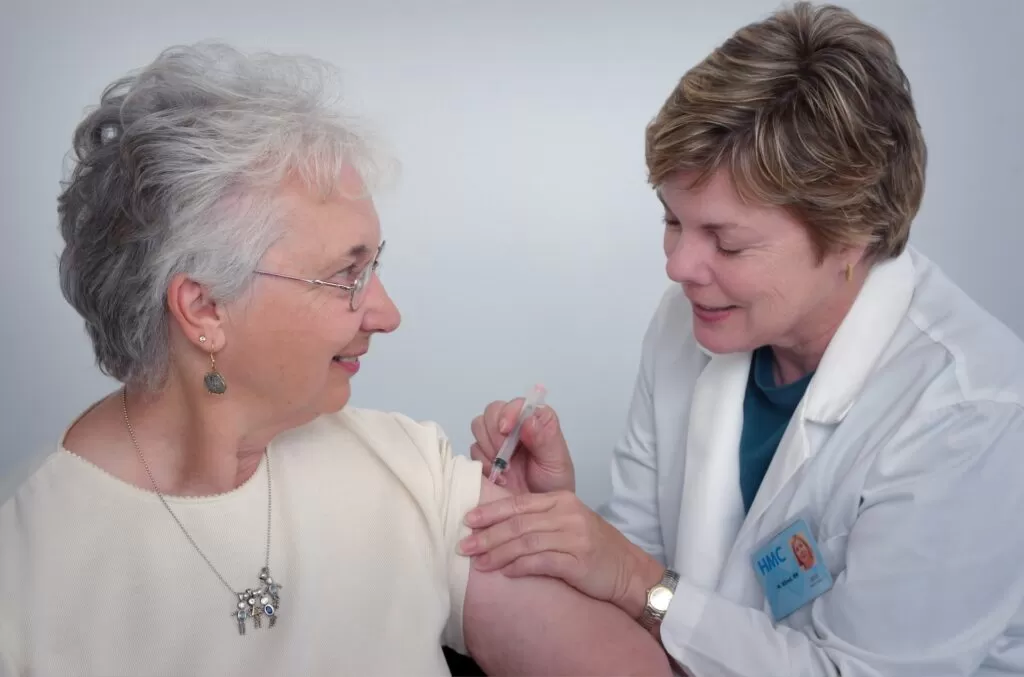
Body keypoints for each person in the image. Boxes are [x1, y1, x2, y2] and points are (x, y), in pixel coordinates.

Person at [0, 43, 672, 677]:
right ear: (204, 309)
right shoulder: (24, 567)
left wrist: (561, 548)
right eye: (346, 274)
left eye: (372, 264)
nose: (386, 311)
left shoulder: (411, 474)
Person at [461, 3, 1024, 676]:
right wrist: (562, 522)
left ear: (850, 234)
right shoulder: (689, 322)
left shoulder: (972, 413)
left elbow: (861, 669)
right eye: (673, 220)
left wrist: (637, 578)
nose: (678, 266)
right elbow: (632, 572)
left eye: (726, 240)